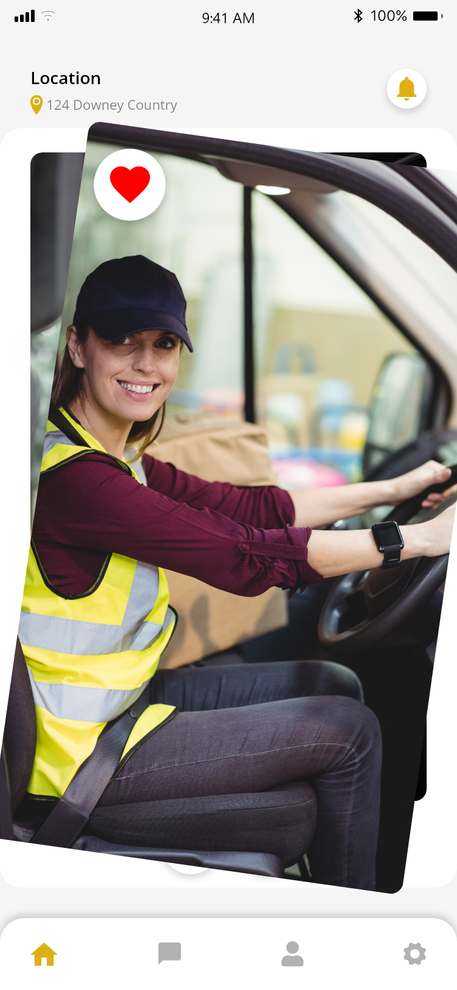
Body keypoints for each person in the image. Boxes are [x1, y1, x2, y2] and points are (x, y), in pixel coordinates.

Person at [19, 255, 456, 890]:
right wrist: (414, 540)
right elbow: (247, 555)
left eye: (163, 345)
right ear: (78, 348)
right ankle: (359, 924)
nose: (146, 365)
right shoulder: (78, 481)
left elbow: (254, 507)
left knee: (335, 681)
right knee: (351, 732)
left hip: (121, 706)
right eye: (122, 341)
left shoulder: (117, 459)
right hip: (75, 757)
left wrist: (402, 487)